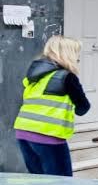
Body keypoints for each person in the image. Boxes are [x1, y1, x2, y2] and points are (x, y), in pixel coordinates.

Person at [14, 35, 91, 177]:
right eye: (76, 53)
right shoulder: (67, 77)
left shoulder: (34, 76)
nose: (78, 58)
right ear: (68, 54)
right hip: (47, 136)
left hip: (23, 132)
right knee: (61, 182)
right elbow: (83, 108)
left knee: (39, 180)